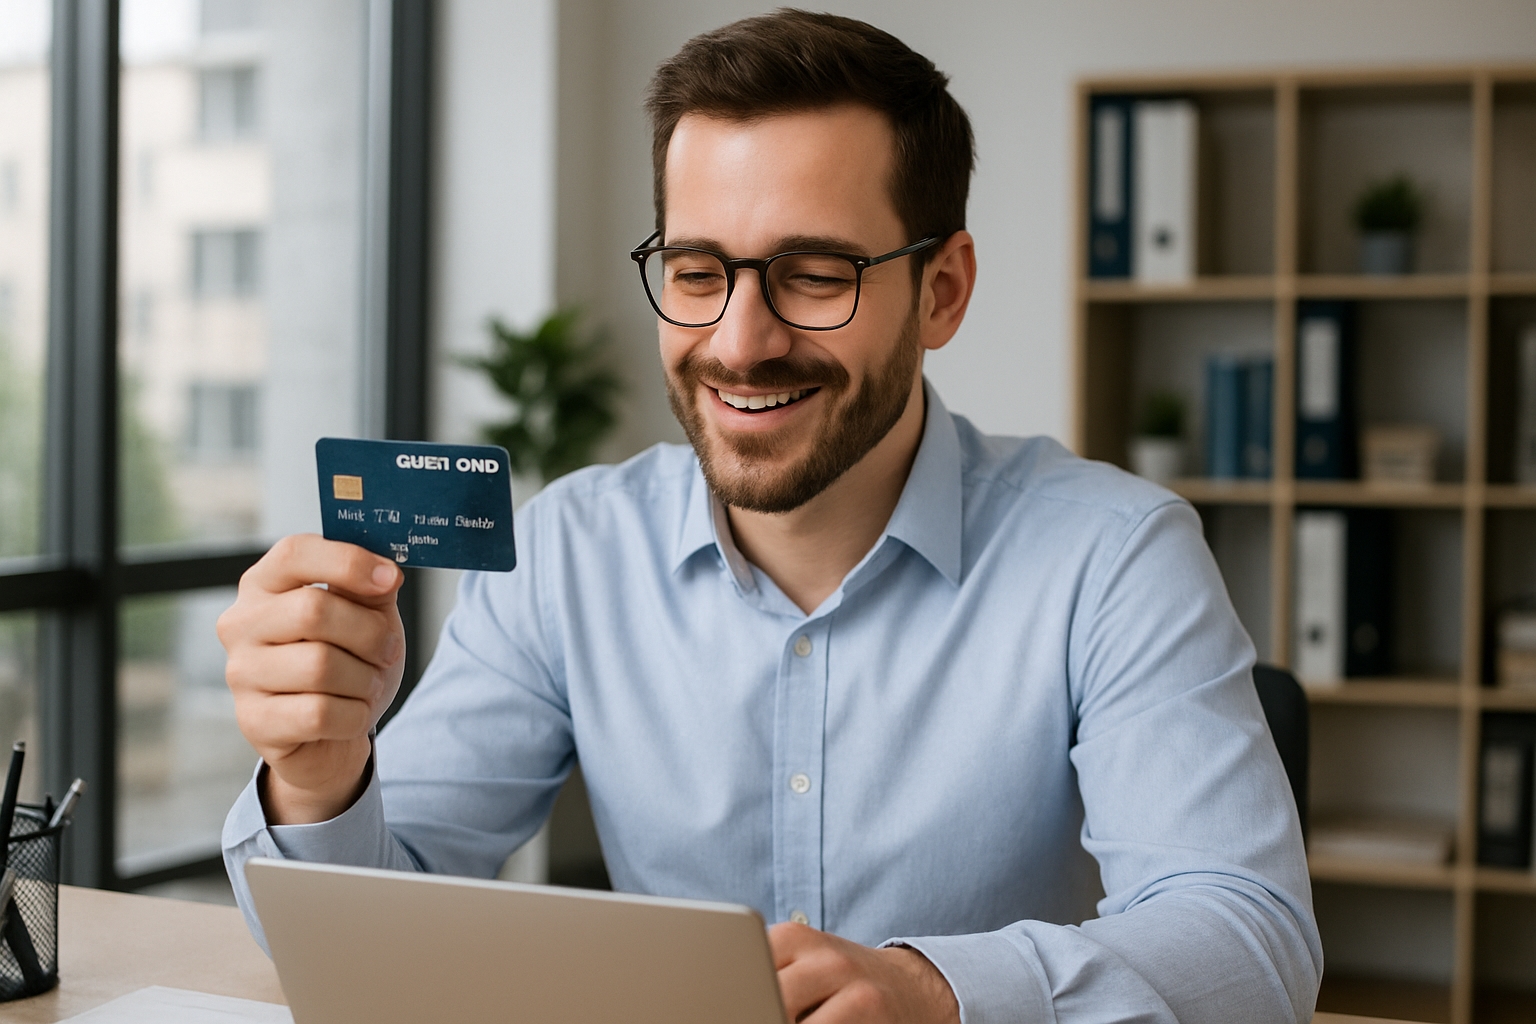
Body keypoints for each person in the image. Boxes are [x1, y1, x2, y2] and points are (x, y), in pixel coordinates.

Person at [221, 10, 1321, 1022]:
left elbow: (1250, 943)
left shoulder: (1115, 556)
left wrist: (936, 989)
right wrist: (319, 777)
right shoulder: (569, 551)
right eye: (699, 271)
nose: (740, 342)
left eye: (813, 274)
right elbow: (358, 937)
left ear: (941, 290)